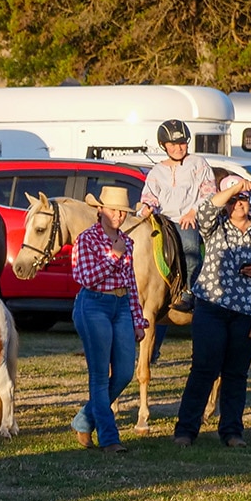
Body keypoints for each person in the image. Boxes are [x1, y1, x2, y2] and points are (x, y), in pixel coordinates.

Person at [173, 175, 251, 448]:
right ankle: (186, 430)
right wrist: (235, 187)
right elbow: (206, 209)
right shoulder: (215, 227)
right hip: (212, 306)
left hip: (246, 310)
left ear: (250, 201)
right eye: (232, 200)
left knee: (236, 373)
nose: (237, 204)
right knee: (203, 369)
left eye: (242, 199)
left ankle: (232, 431)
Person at [70, 185, 147, 454]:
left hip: (122, 304)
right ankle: (109, 437)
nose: (119, 216)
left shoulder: (128, 241)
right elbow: (85, 278)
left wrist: (138, 319)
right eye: (114, 210)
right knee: (100, 376)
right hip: (93, 305)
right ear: (100, 210)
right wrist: (114, 255)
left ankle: (83, 419)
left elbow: (132, 282)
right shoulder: (86, 240)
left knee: (125, 372)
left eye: (123, 212)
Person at [138, 119, 215, 311]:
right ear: (164, 145)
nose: (178, 148)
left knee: (189, 247)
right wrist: (147, 207)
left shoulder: (198, 163)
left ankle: (191, 291)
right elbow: (150, 196)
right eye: (173, 144)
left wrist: (193, 211)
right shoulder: (157, 171)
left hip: (186, 218)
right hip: (163, 220)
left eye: (182, 143)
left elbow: (209, 192)